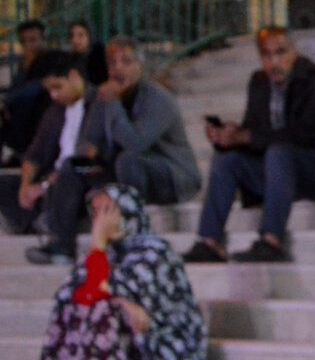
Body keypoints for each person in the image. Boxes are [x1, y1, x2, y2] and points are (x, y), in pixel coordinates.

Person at [21, 184, 206, 360]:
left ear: (128, 211)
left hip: (161, 344)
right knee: (72, 306)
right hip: (121, 341)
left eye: (108, 210)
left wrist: (99, 249)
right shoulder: (103, 253)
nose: (100, 220)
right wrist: (113, 287)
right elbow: (79, 293)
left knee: (105, 310)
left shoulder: (155, 251)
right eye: (96, 212)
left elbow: (136, 305)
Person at [28, 36, 201, 265]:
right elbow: (87, 143)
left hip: (171, 176)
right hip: (122, 172)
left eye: (126, 62)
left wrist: (112, 102)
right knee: (73, 166)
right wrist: (90, 156)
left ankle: (131, 240)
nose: (117, 69)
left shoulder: (157, 99)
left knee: (128, 160)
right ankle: (62, 245)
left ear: (140, 66)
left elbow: (135, 144)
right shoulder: (105, 97)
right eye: (112, 63)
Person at [183, 28, 315, 264]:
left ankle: (271, 241)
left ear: (294, 52)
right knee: (227, 159)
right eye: (266, 54)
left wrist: (246, 137)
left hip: (313, 172)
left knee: (279, 151)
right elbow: (253, 131)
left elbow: (305, 135)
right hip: (275, 174)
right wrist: (229, 136)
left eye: (280, 52)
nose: (273, 62)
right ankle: (210, 242)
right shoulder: (259, 82)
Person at [0, 51, 98, 242]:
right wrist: (26, 186)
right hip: (50, 178)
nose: (53, 95)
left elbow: (88, 159)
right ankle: (33, 225)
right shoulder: (56, 110)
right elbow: (34, 154)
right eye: (49, 90)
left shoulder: (99, 105)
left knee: (64, 183)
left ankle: (41, 226)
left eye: (57, 87)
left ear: (74, 76)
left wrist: (44, 185)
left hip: (81, 177)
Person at [1, 19, 52, 161]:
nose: (28, 45)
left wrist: (6, 102)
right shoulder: (25, 63)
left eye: (33, 40)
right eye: (24, 41)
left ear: (42, 40)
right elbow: (15, 89)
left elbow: (38, 86)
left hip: (41, 114)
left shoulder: (50, 60)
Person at [68, 20, 109, 86]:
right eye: (72, 35)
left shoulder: (100, 58)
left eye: (80, 35)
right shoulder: (70, 60)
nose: (75, 40)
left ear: (90, 36)